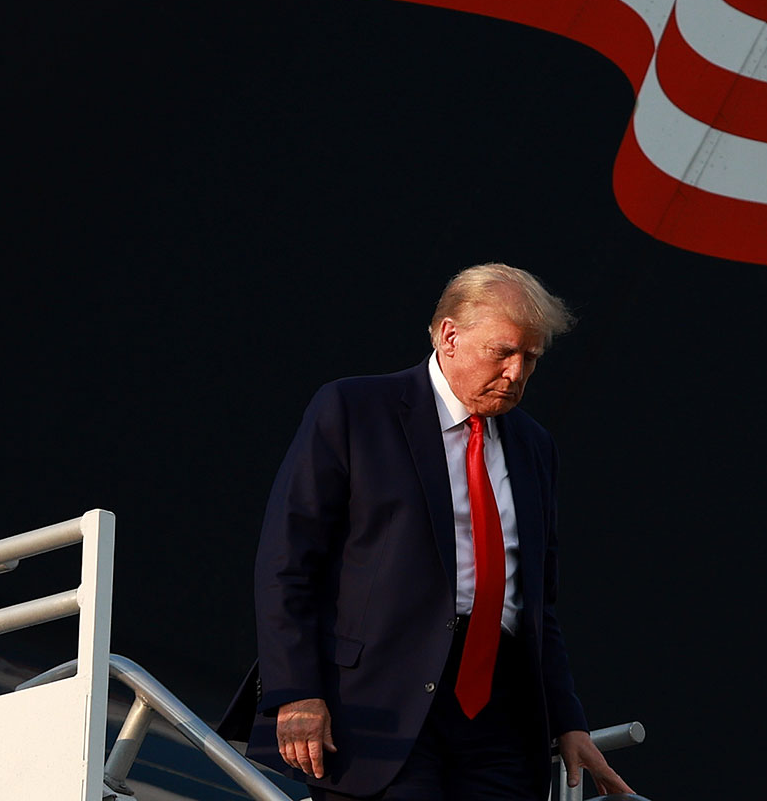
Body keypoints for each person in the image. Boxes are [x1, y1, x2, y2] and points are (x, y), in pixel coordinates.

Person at [247, 263, 630, 800]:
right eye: (503, 352)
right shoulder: (356, 409)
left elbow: (537, 603)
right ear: (449, 336)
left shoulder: (534, 446)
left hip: (502, 719)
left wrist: (568, 718)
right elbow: (288, 562)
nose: (517, 373)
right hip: (378, 707)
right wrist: (296, 692)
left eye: (532, 359)